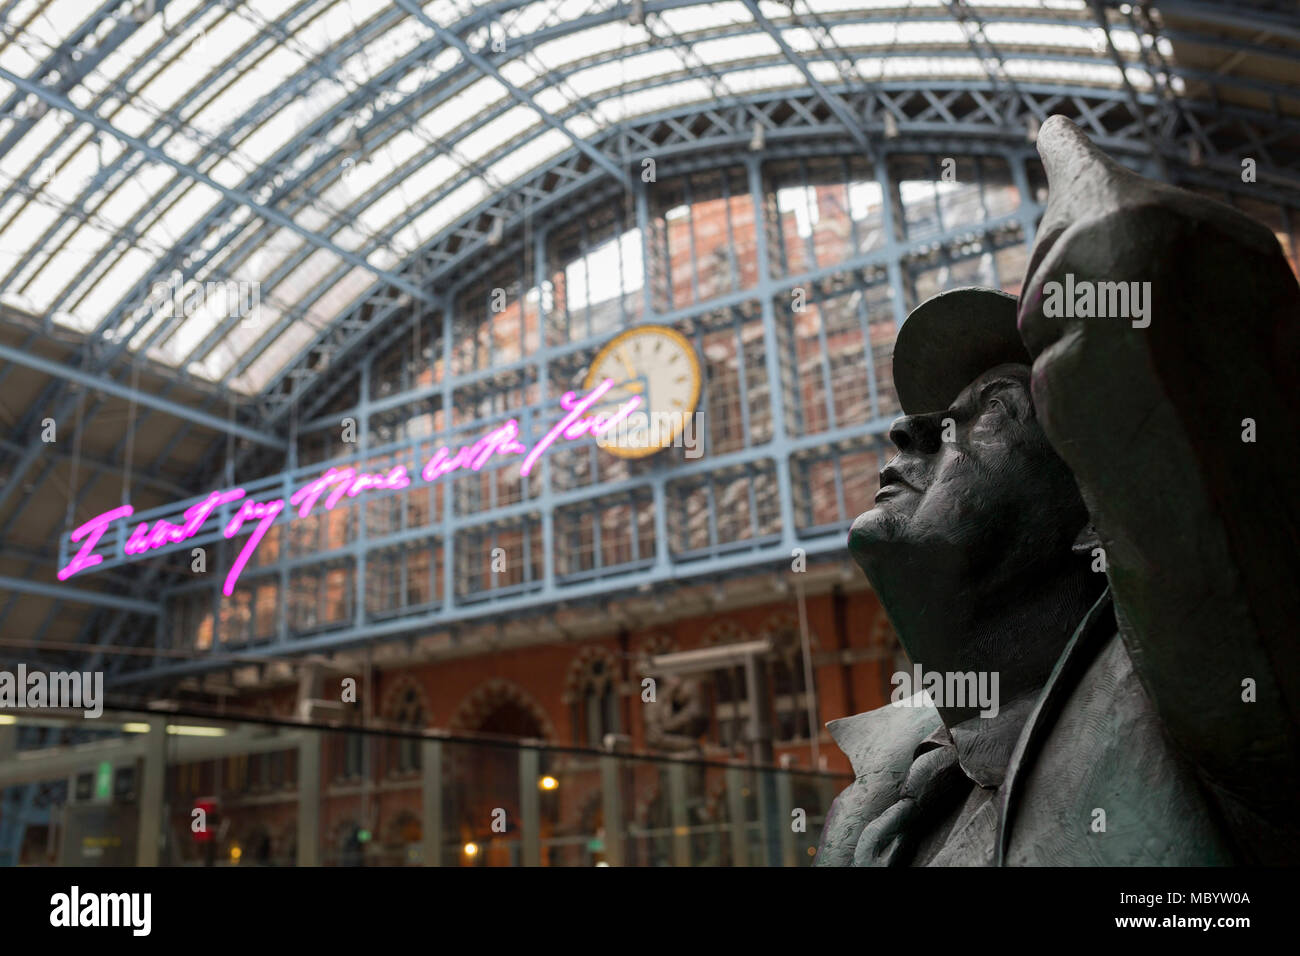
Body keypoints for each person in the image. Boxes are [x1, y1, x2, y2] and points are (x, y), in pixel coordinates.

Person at [816, 116, 1300, 865]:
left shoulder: (1196, 710)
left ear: (1094, 512)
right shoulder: (889, 805)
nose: (908, 433)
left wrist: (1064, 149)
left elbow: (1135, 261)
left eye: (992, 412)